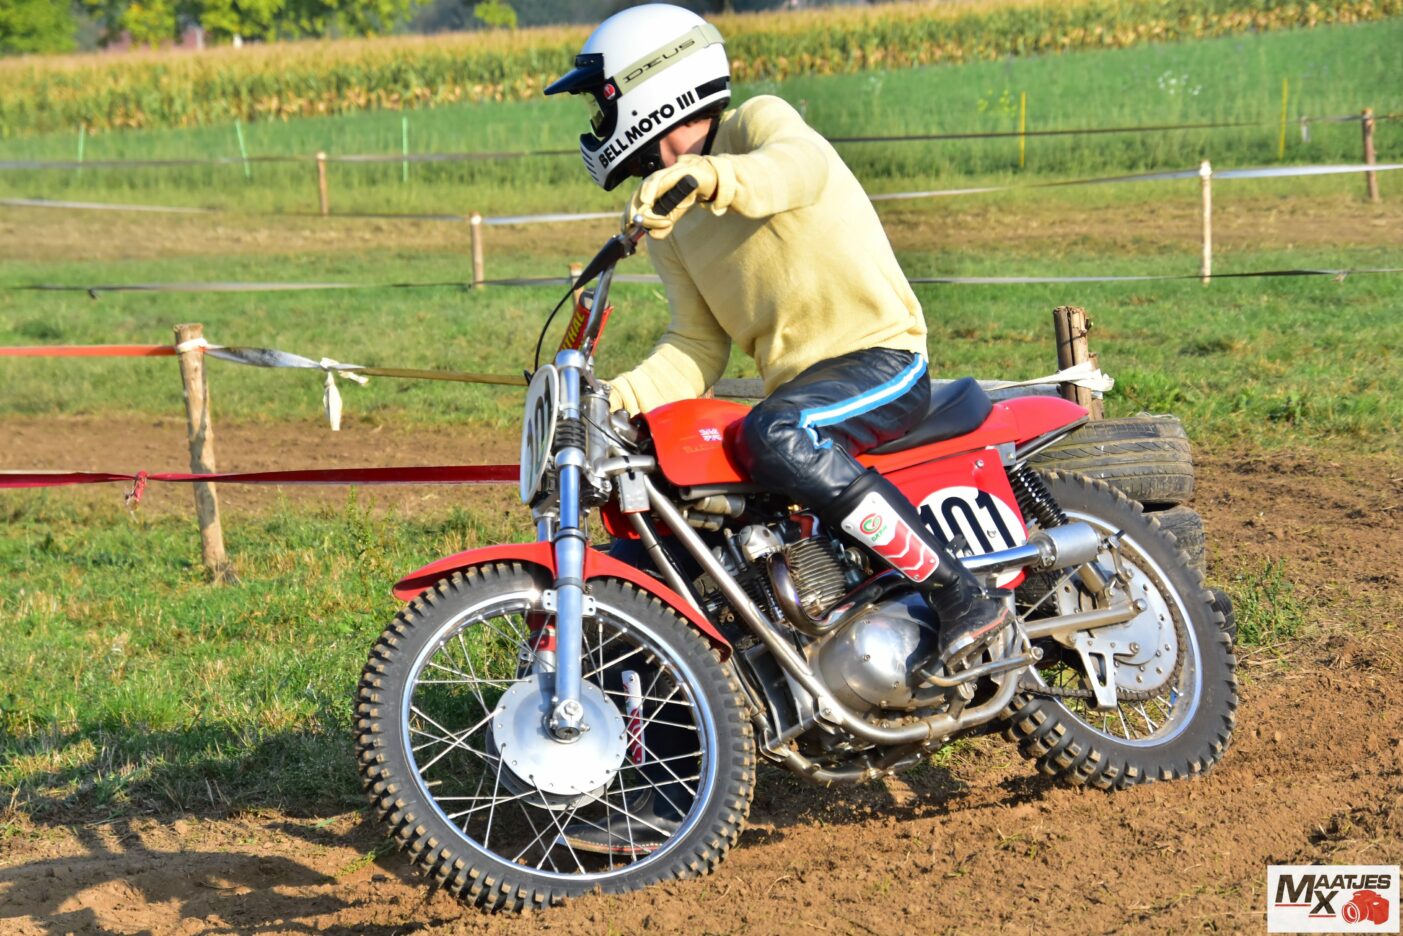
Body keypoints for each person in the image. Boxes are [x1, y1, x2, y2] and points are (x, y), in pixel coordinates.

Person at [545, 3, 1009, 853]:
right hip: (800, 393)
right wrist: (614, 402)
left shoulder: (759, 124)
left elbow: (792, 171)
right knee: (664, 530)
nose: (595, 126)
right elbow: (695, 346)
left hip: (880, 358)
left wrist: (706, 177)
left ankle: (960, 593)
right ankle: (671, 778)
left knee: (775, 435)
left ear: (649, 88)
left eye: (597, 104)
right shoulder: (671, 224)